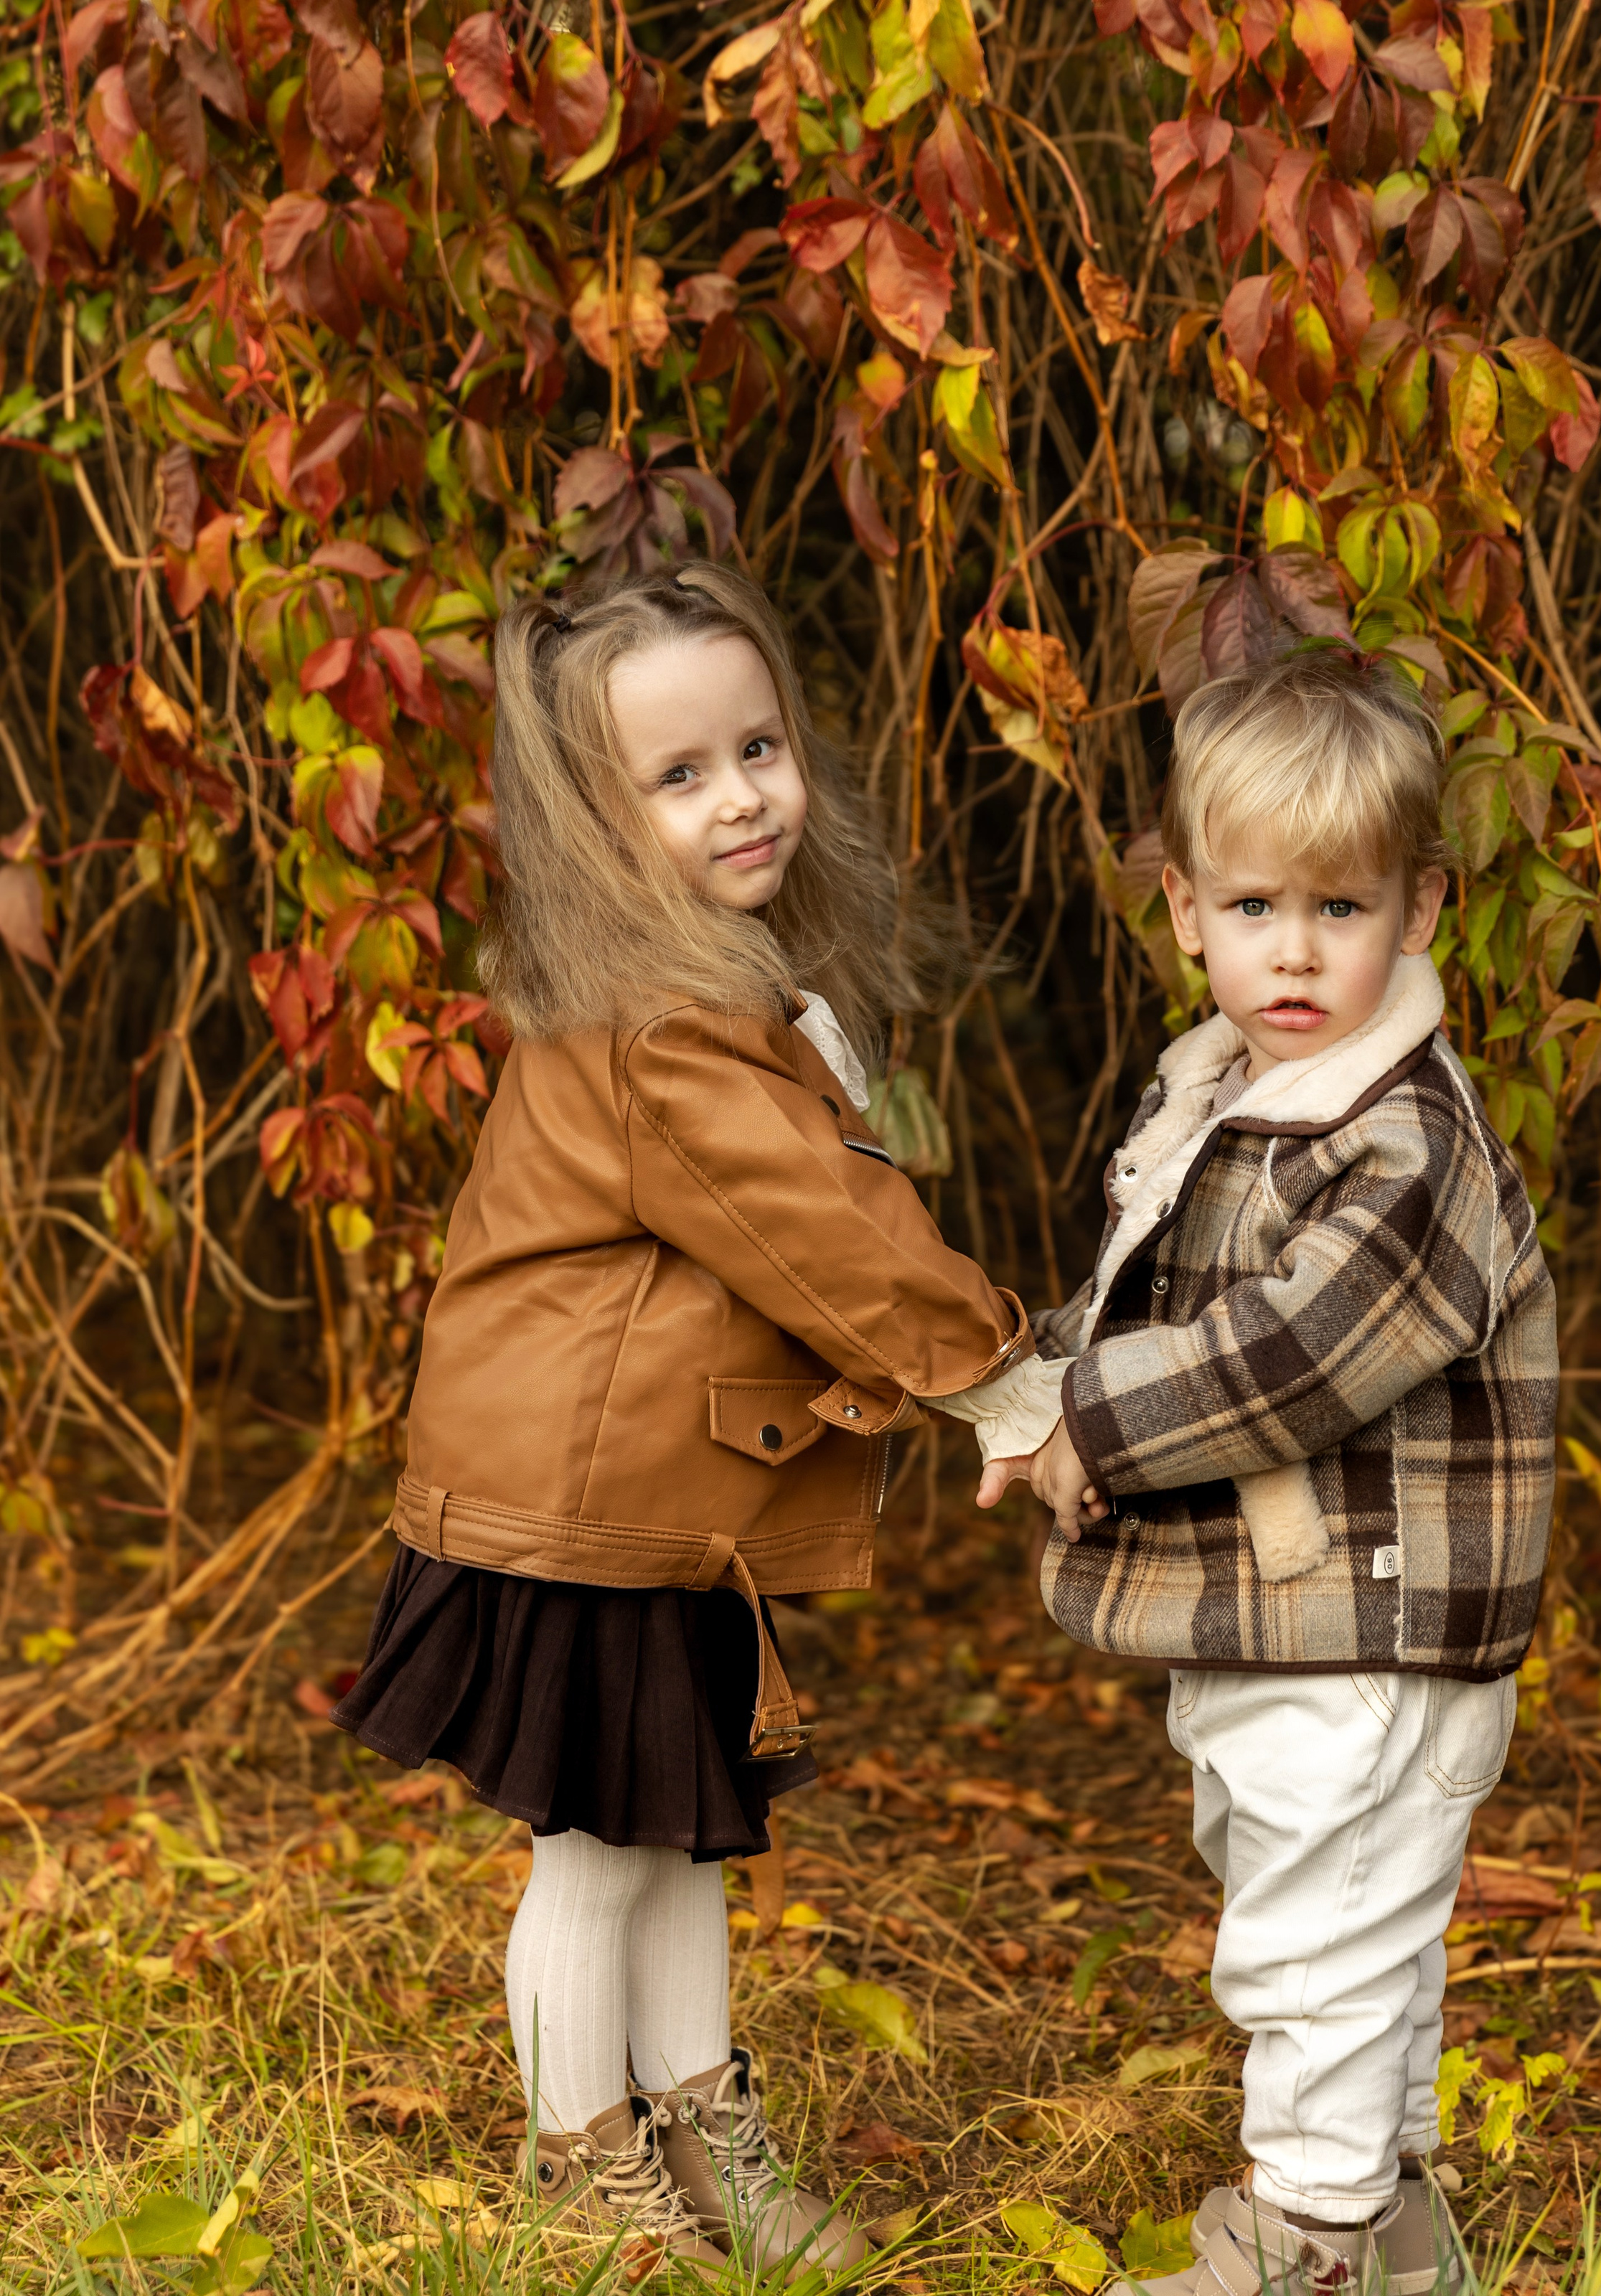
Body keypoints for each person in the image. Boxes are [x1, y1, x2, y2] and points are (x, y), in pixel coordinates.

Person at [332, 566, 1033, 2279]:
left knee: (683, 1828)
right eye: (679, 774)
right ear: (591, 820)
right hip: (577, 1506)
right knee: (592, 1853)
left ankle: (697, 2111)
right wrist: (1001, 1377)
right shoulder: (657, 1026)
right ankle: (584, 2172)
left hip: (661, 1496)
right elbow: (825, 1233)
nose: (740, 797)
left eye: (758, 747)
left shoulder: (719, 983)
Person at [944, 648, 1557, 2294]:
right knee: (1339, 1924)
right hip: (1287, 1621)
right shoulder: (1223, 1087)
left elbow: (1290, 1352)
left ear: (1418, 908)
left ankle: (1314, 2240)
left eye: (1339, 910)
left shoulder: (1408, 1141)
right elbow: (1144, 1291)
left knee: (1316, 1946)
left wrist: (1096, 1422)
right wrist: (1035, 1397)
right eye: (1254, 905)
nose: (1292, 950)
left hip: (1367, 1630)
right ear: (1183, 913)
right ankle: (1394, 2215)